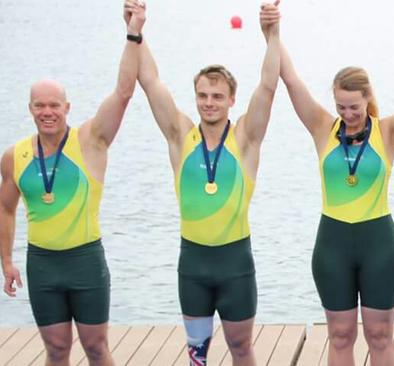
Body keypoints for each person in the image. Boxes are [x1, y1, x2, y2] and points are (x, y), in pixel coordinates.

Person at [277, 20, 394, 366]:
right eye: (341, 107)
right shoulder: (322, 127)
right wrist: (271, 34)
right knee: (340, 335)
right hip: (332, 246)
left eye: (354, 106)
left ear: (368, 98)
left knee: (379, 336)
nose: (348, 114)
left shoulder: (387, 132)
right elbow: (290, 80)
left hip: (378, 246)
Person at [134, 2, 280, 365]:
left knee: (242, 348)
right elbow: (150, 82)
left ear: (231, 100)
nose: (209, 103)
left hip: (235, 264)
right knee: (196, 353)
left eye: (217, 96)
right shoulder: (180, 136)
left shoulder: (245, 139)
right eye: (202, 96)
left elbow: (268, 85)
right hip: (194, 266)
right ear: (195, 98)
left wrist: (272, 35)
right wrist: (136, 31)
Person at [0, 2, 144, 365]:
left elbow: (124, 92)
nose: (47, 112)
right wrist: (6, 260)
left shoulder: (90, 141)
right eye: (39, 106)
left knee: (96, 348)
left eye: (54, 105)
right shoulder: (14, 156)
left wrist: (133, 33)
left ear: (67, 107)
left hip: (85, 261)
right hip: (42, 265)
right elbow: (5, 207)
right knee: (56, 350)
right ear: (30, 109)